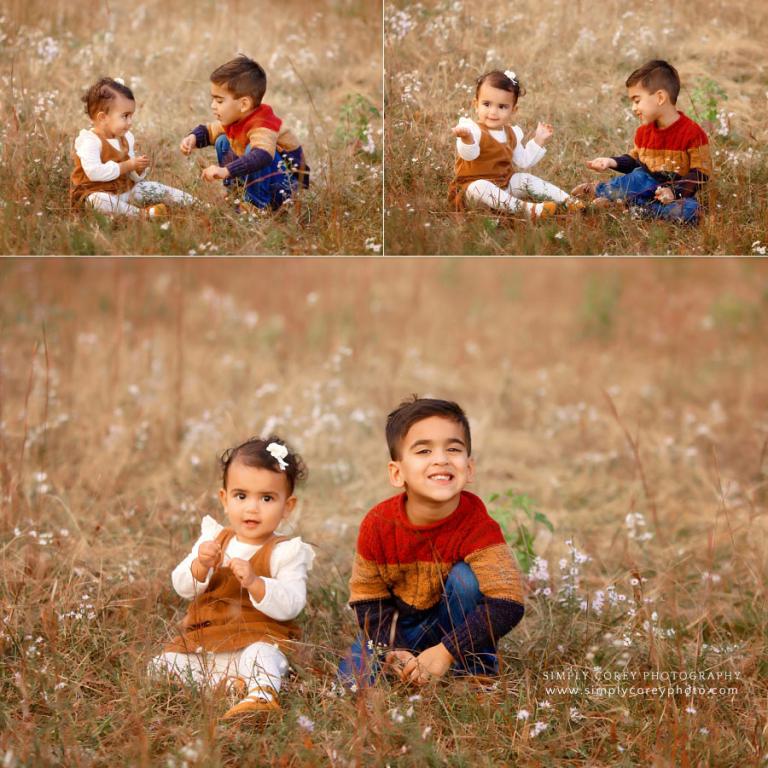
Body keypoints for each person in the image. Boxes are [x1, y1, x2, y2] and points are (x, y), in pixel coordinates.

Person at [339, 397, 525, 687]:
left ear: (469, 467)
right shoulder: (378, 524)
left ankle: (476, 668)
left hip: (459, 627)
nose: (441, 459)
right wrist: (394, 649)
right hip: (401, 630)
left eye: (453, 449)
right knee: (351, 682)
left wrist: (447, 651)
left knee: (466, 579)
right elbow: (367, 599)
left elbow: (508, 602)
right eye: (424, 450)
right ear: (397, 473)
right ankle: (405, 664)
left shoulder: (477, 524)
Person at [150, 436, 314, 719]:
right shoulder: (214, 539)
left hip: (257, 642)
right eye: (241, 496)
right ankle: (226, 686)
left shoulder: (285, 552)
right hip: (207, 645)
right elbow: (182, 586)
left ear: (287, 506)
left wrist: (256, 583)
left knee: (264, 658)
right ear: (224, 499)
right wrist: (201, 566)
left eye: (266, 498)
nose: (252, 508)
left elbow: (292, 602)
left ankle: (261, 696)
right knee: (159, 665)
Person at [571, 60, 712, 224]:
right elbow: (634, 160)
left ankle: (634, 209)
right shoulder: (643, 132)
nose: (633, 108)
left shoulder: (693, 133)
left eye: (637, 101)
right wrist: (611, 162)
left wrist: (674, 192)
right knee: (633, 180)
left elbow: (700, 173)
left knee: (690, 211)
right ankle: (599, 190)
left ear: (660, 98)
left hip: (672, 191)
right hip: (643, 181)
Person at [448, 69, 583, 221]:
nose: (493, 112)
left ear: (513, 110)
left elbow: (524, 161)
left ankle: (568, 201)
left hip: (503, 187)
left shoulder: (511, 133)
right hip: (472, 193)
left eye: (502, 107)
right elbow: (469, 154)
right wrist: (467, 139)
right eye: (487, 104)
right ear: (476, 104)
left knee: (524, 178)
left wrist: (538, 140)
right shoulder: (472, 130)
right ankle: (528, 210)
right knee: (480, 186)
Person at [179, 55, 309, 211]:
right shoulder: (236, 119)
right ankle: (236, 196)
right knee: (222, 141)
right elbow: (210, 130)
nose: (213, 106)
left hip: (285, 186)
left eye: (219, 101)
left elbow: (262, 156)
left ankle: (257, 206)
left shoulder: (263, 124)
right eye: (213, 100)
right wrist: (193, 138)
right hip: (266, 178)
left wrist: (225, 170)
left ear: (244, 104)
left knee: (253, 152)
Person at [70, 77, 196, 217]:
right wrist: (128, 165)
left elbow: (131, 173)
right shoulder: (90, 141)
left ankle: (193, 202)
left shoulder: (125, 137)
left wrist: (137, 169)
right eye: (125, 116)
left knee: (151, 187)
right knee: (97, 201)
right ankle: (142, 214)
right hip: (96, 193)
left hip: (125, 190)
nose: (130, 122)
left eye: (131, 116)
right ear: (103, 118)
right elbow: (94, 172)